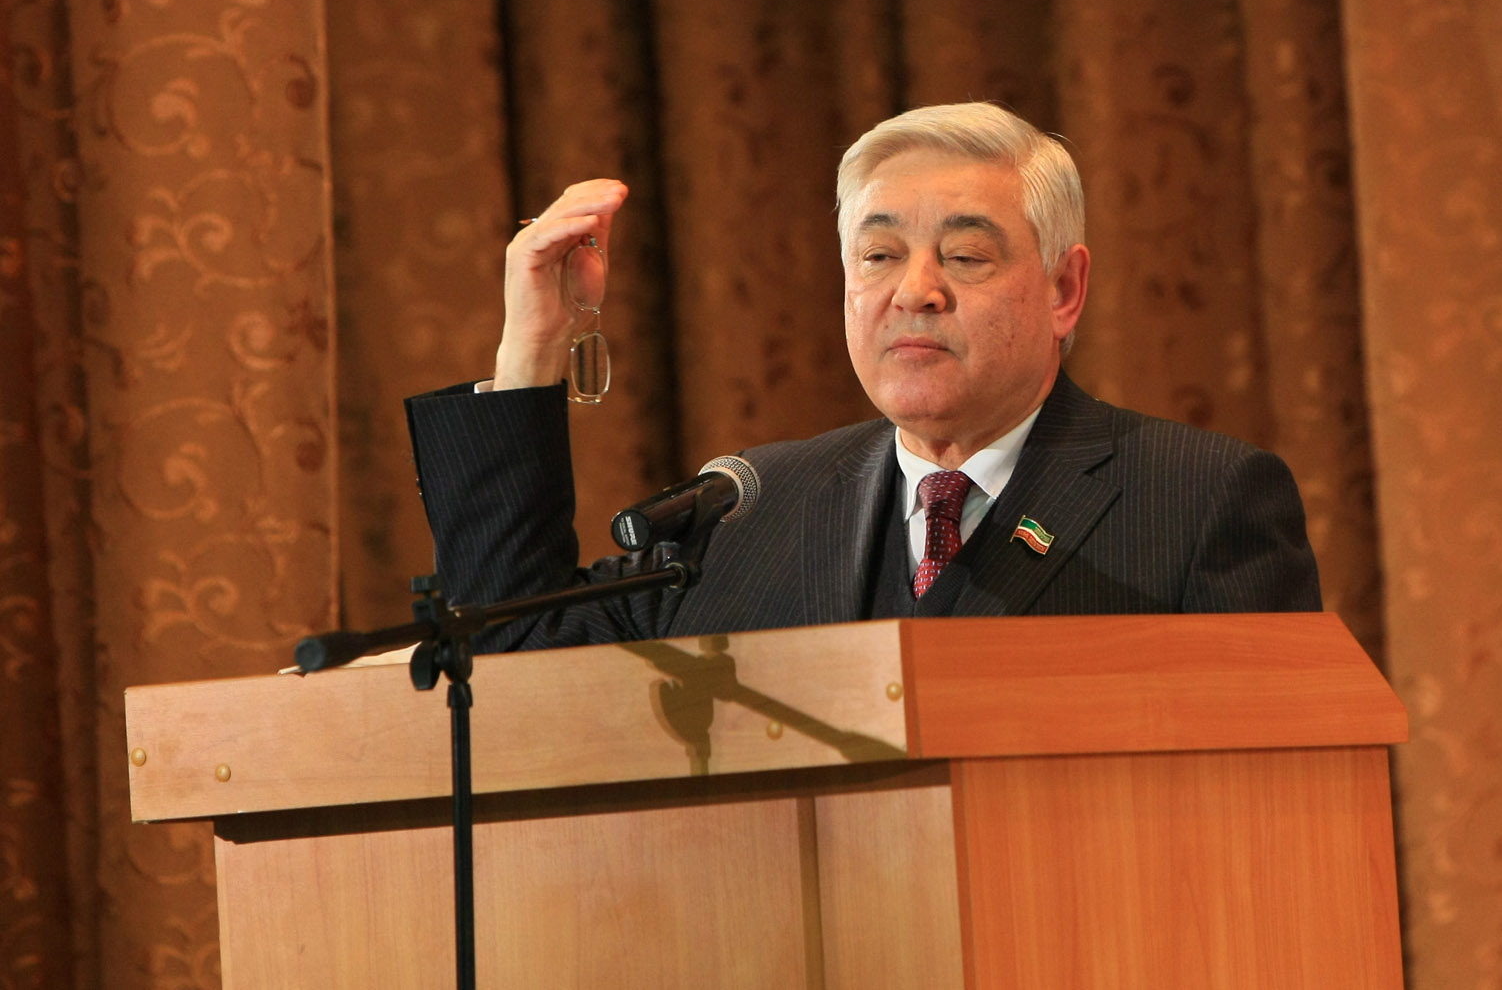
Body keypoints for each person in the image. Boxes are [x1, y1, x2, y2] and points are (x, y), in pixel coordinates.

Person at [405, 103, 1320, 650]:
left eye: (965, 255)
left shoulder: (1198, 501)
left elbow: (1273, 805)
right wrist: (531, 349)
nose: (914, 291)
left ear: (1064, 288)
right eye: (878, 255)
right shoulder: (750, 510)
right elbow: (510, 648)